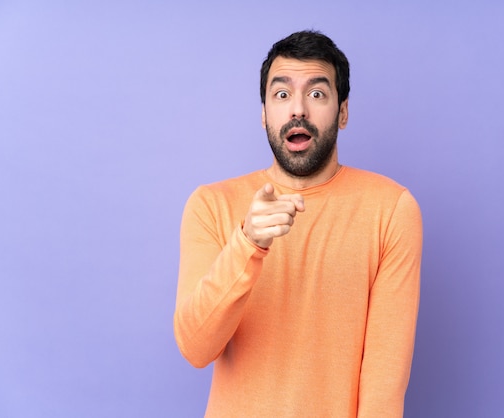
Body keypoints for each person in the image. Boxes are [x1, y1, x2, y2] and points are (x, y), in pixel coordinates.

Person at [174, 30, 423, 417]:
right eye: (282, 94)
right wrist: (247, 244)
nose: (298, 110)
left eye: (318, 93)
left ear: (342, 112)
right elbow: (195, 347)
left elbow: (383, 387)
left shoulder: (391, 209)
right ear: (263, 114)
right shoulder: (211, 205)